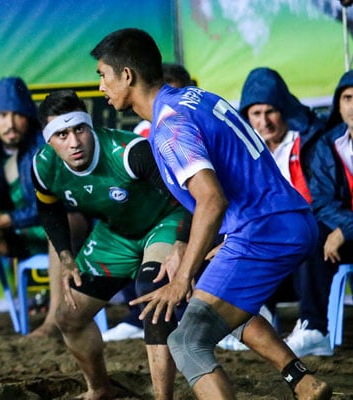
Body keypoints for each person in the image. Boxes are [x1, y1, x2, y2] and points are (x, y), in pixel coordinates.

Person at [90, 28, 332, 399]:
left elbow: (211, 199)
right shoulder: (193, 98)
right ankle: (303, 381)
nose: (101, 87)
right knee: (218, 296)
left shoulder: (170, 125)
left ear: (127, 75)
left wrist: (181, 276)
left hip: (263, 231)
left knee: (187, 342)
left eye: (103, 75)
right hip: (285, 219)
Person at [33, 89, 189, 400]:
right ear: (49, 140)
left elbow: (186, 197)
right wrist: (66, 257)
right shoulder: (44, 166)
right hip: (115, 234)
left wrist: (182, 244)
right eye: (62, 134)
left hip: (163, 221)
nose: (74, 142)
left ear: (90, 126)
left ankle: (163, 397)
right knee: (69, 315)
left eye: (79, 129)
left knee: (151, 292)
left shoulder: (130, 151)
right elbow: (49, 210)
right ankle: (100, 388)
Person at [0, 77, 88, 341]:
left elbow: (60, 201)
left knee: (64, 222)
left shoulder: (45, 144)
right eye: (1, 115)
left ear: (29, 117)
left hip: (58, 232)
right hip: (15, 236)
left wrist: (8, 220)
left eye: (17, 115)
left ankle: (54, 321)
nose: (9, 124)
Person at [239, 67, 332, 356]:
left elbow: (321, 196)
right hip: (271, 234)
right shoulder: (247, 149)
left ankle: (314, 328)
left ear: (284, 110)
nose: (263, 122)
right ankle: (255, 320)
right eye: (255, 114)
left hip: (314, 225)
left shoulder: (309, 140)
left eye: (270, 112)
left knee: (305, 232)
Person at [104, 62, 196, 343]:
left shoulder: (193, 125)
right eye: (168, 97)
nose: (173, 106)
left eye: (180, 96)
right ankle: (138, 316)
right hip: (161, 212)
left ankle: (223, 318)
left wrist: (182, 240)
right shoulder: (141, 135)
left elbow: (205, 196)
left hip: (196, 211)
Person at [307, 68, 353, 340]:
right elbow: (322, 202)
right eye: (347, 98)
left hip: (346, 234)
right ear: (338, 103)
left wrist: (345, 230)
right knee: (311, 232)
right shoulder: (327, 143)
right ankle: (313, 328)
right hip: (345, 240)